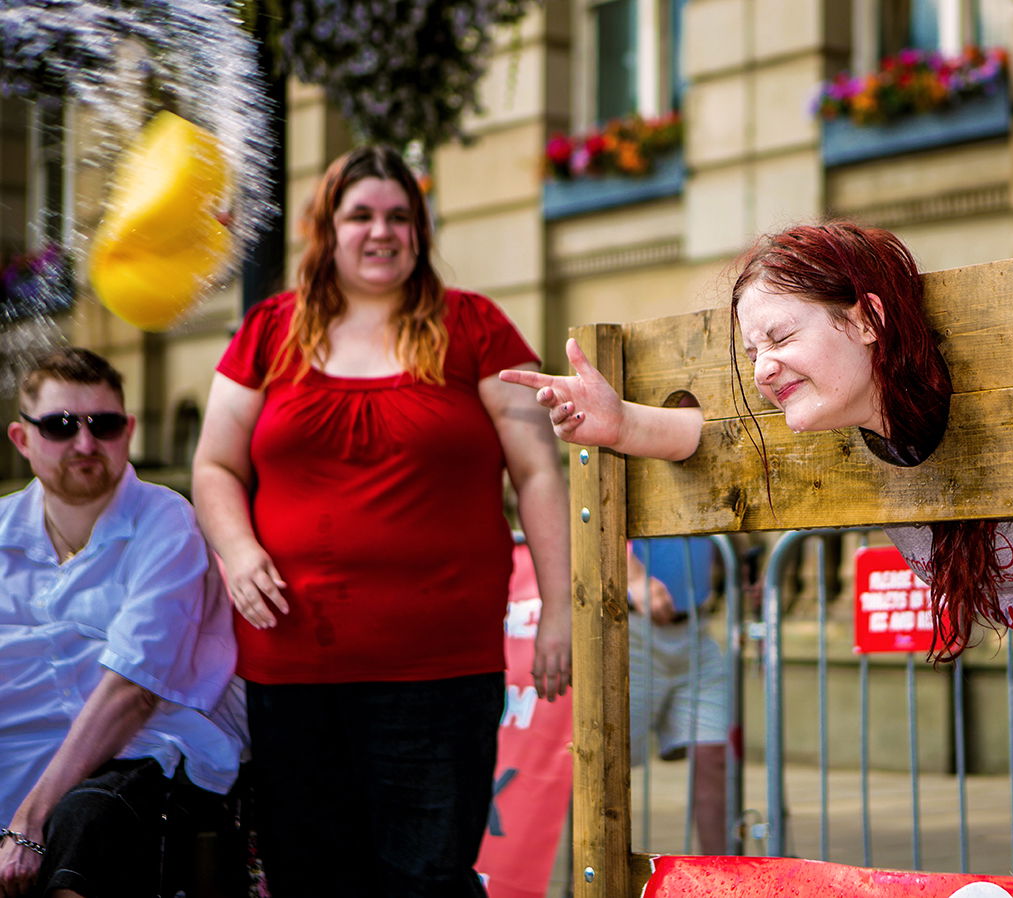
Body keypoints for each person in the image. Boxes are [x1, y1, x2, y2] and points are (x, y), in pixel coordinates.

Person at [501, 222, 1013, 894]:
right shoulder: (836, 437)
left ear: (868, 319)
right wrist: (621, 422)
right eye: (751, 350)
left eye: (781, 337)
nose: (762, 367)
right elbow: (711, 440)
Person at [192, 145, 571, 898]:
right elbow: (215, 466)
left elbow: (536, 470)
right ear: (326, 229)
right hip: (292, 666)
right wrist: (236, 551)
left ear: (421, 230)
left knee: (427, 879)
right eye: (359, 214)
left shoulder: (476, 326)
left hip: (438, 670)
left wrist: (561, 608)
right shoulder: (270, 330)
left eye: (400, 216)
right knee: (308, 879)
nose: (381, 231)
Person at [1, 347, 243, 898]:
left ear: (127, 431)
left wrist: (30, 823)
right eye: (61, 426)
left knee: (86, 824)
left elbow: (131, 694)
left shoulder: (166, 523)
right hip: (19, 761)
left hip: (140, 756)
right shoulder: (1, 531)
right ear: (22, 439)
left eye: (103, 425)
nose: (85, 444)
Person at [627, 537, 729, 855]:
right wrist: (631, 576)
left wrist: (739, 571)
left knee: (714, 756)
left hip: (697, 628)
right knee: (607, 763)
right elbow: (582, 514)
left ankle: (720, 879)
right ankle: (591, 881)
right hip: (629, 627)